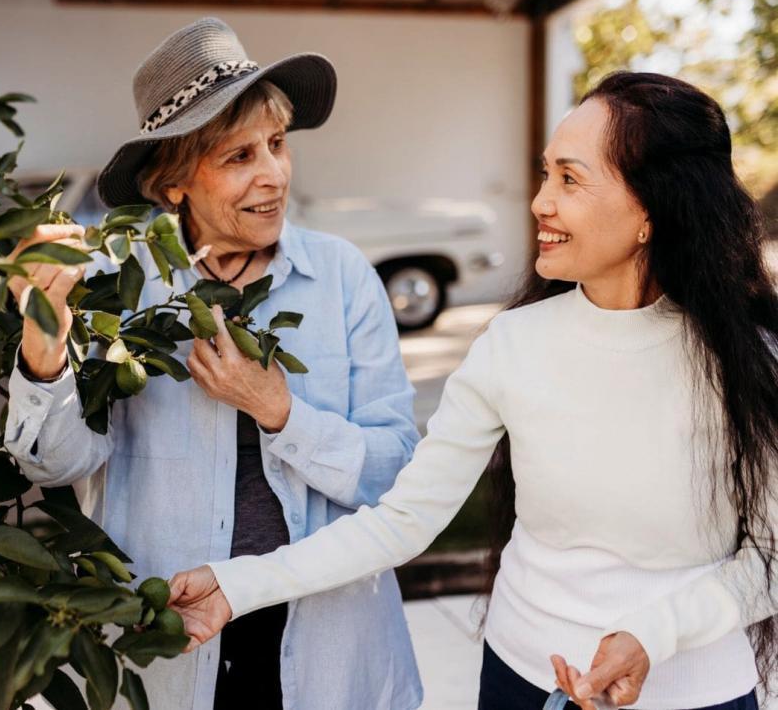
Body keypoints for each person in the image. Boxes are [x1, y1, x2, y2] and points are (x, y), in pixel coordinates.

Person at [168, 71, 778, 710]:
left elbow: (768, 558)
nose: (541, 202)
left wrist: (654, 635)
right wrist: (236, 585)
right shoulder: (512, 344)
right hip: (519, 677)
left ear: (651, 209)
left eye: (570, 179)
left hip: (695, 693)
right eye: (546, 175)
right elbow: (403, 521)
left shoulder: (750, 361)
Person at [2, 17, 424, 710]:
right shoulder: (114, 288)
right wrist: (43, 347)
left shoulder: (344, 278)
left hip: (326, 640)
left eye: (278, 145)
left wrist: (278, 410)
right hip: (175, 639)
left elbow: (394, 474)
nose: (274, 175)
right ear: (173, 184)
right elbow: (53, 466)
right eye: (239, 158)